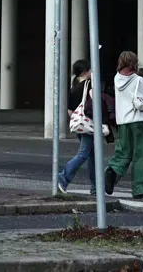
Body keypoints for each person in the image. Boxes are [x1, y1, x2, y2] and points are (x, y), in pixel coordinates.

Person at [103, 51, 143, 199]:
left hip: (123, 122)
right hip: (138, 121)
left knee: (123, 152)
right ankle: (139, 189)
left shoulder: (116, 79)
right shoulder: (139, 80)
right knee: (141, 155)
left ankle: (112, 170)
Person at [57, 60, 99, 193]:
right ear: (85, 71)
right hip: (89, 125)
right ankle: (63, 178)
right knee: (83, 154)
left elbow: (69, 109)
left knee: (92, 155)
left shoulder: (74, 86)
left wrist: (77, 119)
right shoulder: (90, 85)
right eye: (90, 69)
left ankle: (96, 187)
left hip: (79, 125)